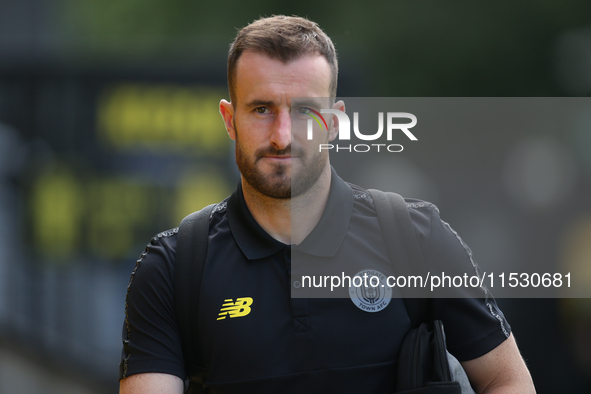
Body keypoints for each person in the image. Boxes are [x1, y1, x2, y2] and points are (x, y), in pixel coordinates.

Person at [119, 15, 536, 393]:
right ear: (230, 120)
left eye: (304, 111)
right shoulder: (175, 266)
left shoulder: (414, 236)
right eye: (261, 109)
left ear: (335, 122)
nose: (282, 135)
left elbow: (507, 380)